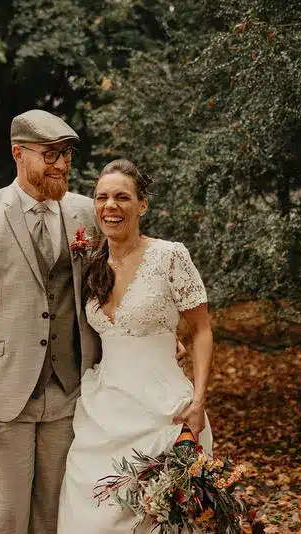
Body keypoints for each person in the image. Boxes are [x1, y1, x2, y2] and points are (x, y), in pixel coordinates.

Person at [0, 110, 186, 534]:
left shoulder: (85, 213)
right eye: (50, 154)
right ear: (19, 153)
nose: (61, 165)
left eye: (67, 155)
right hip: (4, 390)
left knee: (55, 511)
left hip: (70, 390)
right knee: (7, 515)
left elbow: (122, 273)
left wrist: (158, 331)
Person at [57, 159, 214, 533]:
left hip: (162, 408)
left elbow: (202, 329)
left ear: (142, 205)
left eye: (122, 197)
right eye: (102, 197)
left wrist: (199, 400)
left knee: (157, 518)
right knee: (92, 515)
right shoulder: (90, 259)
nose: (111, 206)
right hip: (102, 406)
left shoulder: (170, 257)